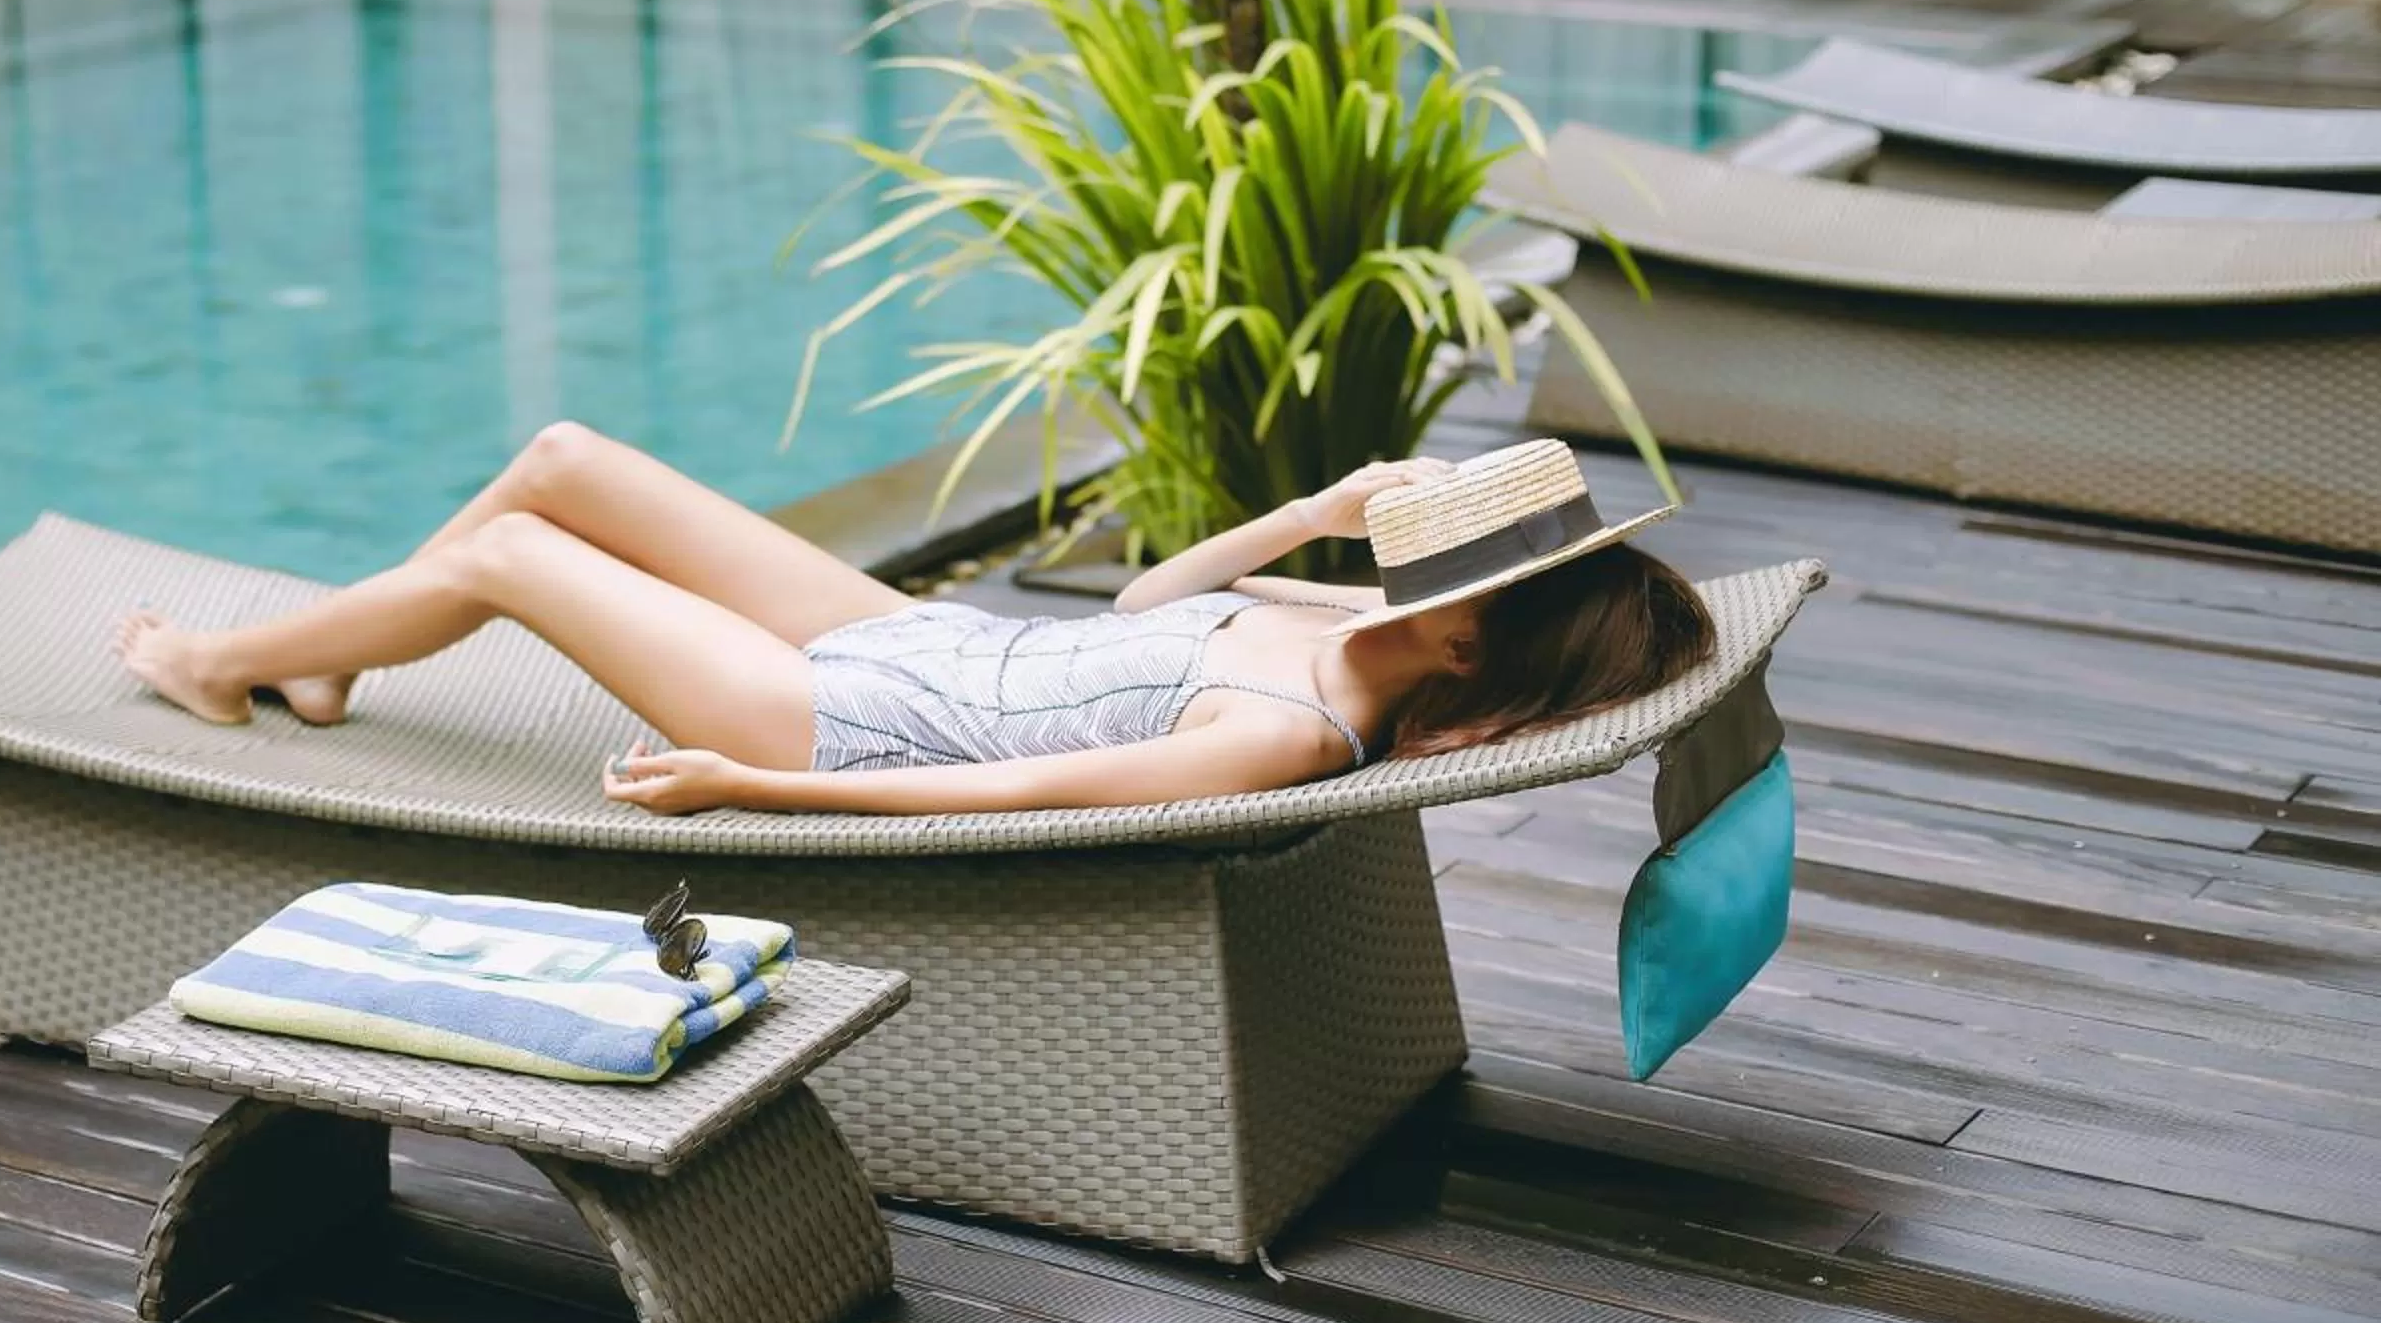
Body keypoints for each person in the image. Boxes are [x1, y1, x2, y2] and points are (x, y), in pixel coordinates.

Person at [115, 422, 1713, 816]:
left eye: (1424, 577)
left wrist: (759, 791)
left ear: (1458, 646)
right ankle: (332, 655)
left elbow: (1016, 796)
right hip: (913, 636)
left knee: (515, 558)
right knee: (564, 463)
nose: (1391, 571)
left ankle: (222, 668)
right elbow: (1153, 604)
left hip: (844, 724)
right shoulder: (1350, 624)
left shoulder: (1290, 730)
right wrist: (1307, 517)